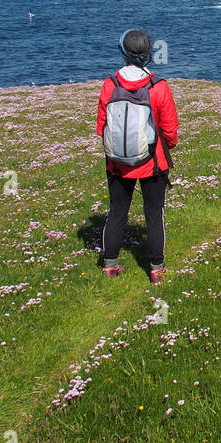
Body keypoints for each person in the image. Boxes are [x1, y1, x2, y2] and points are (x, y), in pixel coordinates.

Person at [96, 29, 178, 283]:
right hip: (153, 163)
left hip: (117, 163)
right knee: (154, 213)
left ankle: (110, 265)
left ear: (123, 52)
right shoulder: (158, 87)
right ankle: (156, 269)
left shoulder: (110, 84)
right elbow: (170, 131)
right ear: (148, 54)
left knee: (117, 211)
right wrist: (166, 146)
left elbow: (102, 127)